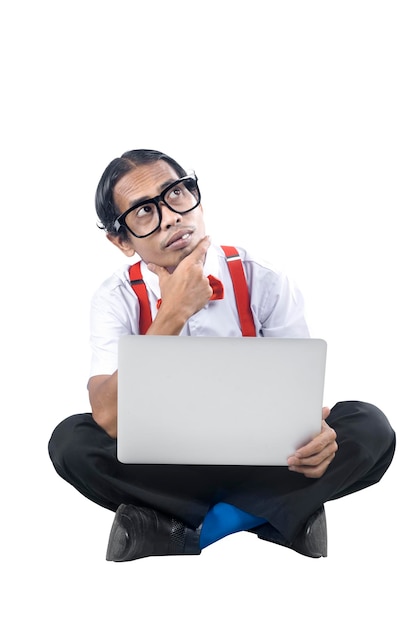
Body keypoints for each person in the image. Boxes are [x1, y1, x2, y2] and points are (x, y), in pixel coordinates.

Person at [48, 149, 396, 562]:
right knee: (71, 441)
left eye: (176, 194)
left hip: (266, 459)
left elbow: (301, 397)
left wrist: (316, 438)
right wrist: (172, 314)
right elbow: (108, 418)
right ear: (121, 240)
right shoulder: (115, 298)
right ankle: (278, 514)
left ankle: (185, 531)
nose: (172, 216)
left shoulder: (261, 277)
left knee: (369, 426)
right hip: (163, 466)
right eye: (144, 211)